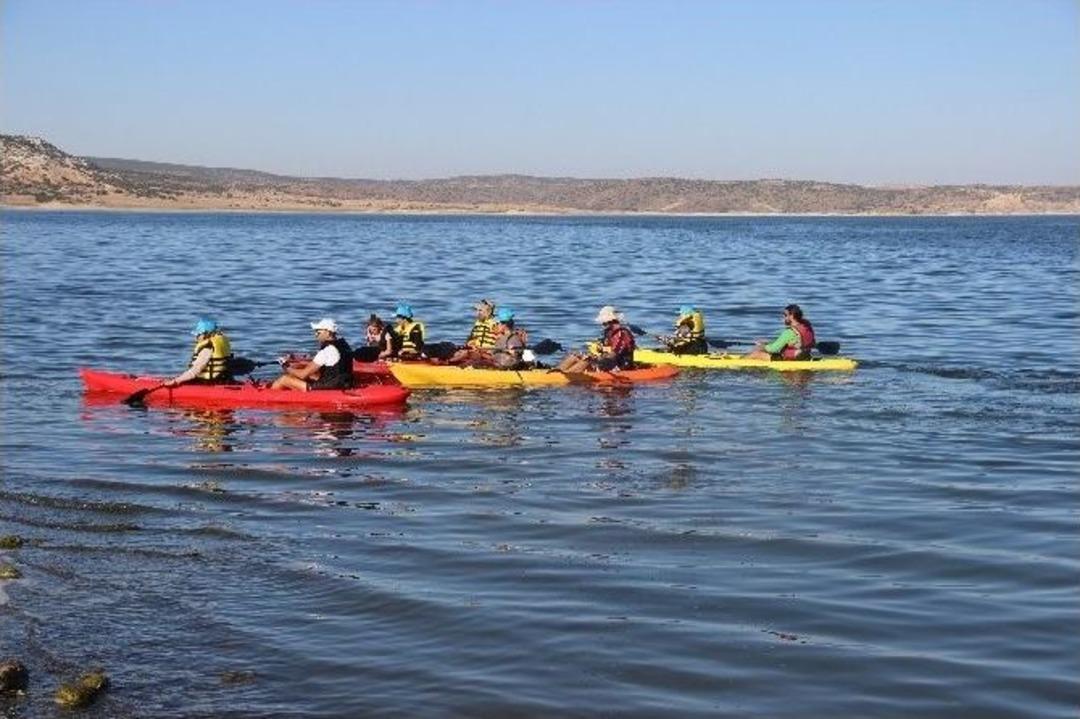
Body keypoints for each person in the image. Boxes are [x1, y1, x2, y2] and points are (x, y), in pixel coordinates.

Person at [270, 318, 355, 390]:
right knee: (303, 370)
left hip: (330, 387)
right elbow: (323, 363)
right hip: (344, 383)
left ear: (328, 332)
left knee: (284, 379)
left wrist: (285, 366)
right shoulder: (343, 345)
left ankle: (269, 395)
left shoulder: (327, 350)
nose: (315, 335)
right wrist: (297, 362)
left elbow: (302, 375)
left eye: (318, 332)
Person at [557, 305, 636, 373]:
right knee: (574, 356)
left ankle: (566, 377)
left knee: (587, 361)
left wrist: (596, 359)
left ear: (612, 321)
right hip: (606, 362)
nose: (603, 324)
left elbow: (613, 354)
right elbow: (603, 349)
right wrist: (589, 354)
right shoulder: (608, 332)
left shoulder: (622, 334)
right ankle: (555, 372)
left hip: (620, 365)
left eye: (605, 322)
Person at [164, 318, 235, 387]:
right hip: (222, 378)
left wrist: (176, 381)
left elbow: (194, 371)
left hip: (209, 382)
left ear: (207, 333)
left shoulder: (207, 347)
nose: (196, 337)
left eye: (198, 334)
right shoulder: (221, 341)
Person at [744, 304, 816, 360]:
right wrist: (767, 344)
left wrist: (762, 346)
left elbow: (773, 349)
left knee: (756, 354)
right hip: (806, 355)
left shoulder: (789, 332)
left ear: (791, 316)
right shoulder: (807, 326)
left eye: (785, 315)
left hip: (789, 359)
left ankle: (739, 362)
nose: (783, 318)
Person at [449, 299, 499, 364]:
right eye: (476, 310)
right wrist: (470, 343)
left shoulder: (494, 323)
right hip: (475, 350)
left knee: (466, 354)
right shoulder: (478, 323)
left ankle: (449, 363)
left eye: (480, 310)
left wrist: (488, 350)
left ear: (488, 312)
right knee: (455, 351)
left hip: (487, 352)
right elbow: (471, 338)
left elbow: (500, 341)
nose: (477, 313)